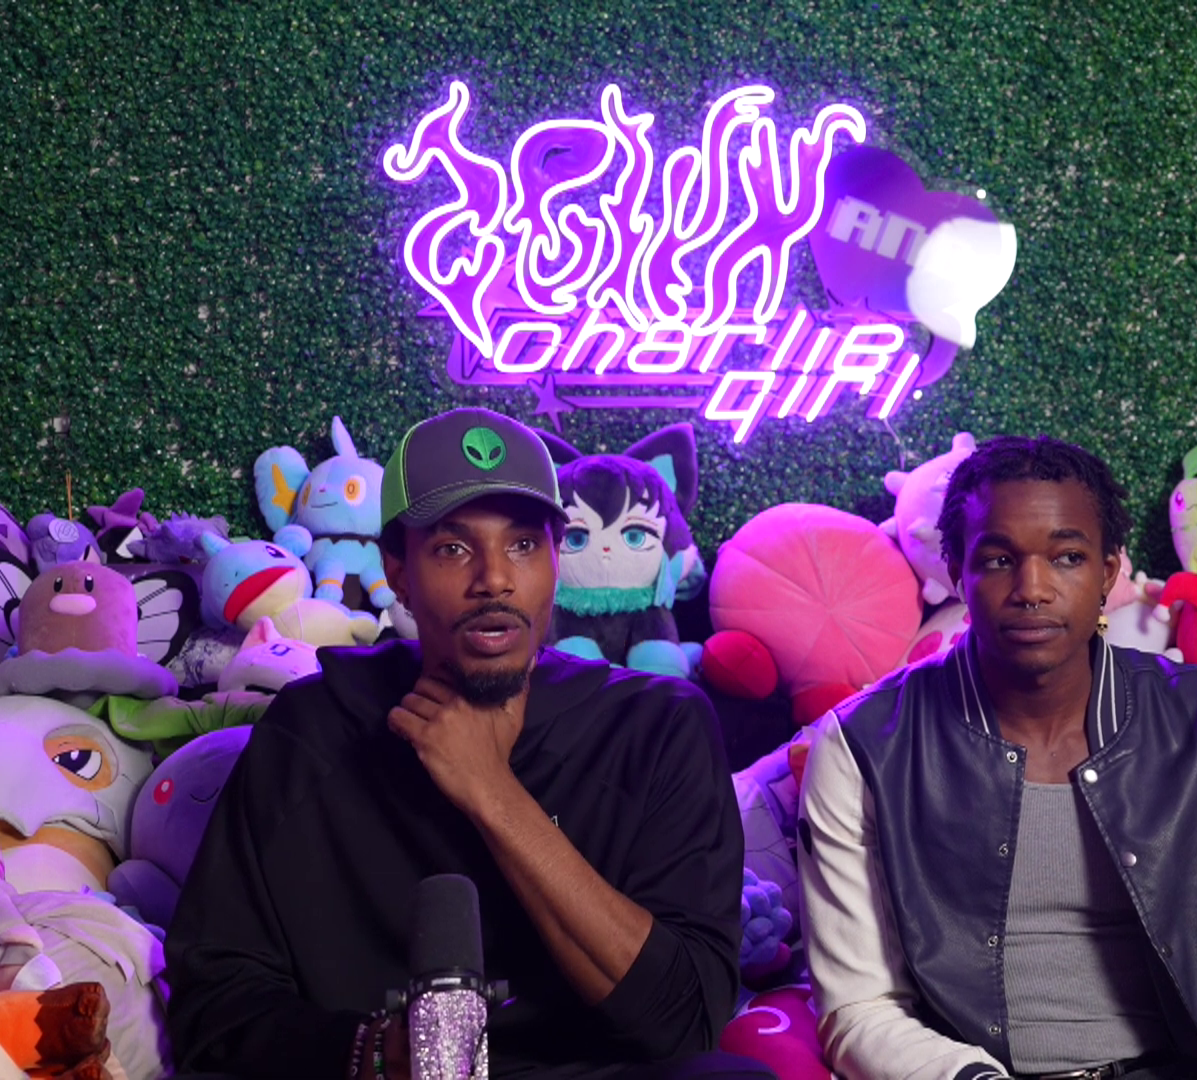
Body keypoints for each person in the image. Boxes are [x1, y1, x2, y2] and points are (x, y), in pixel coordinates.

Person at [165, 408, 767, 1080]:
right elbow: (213, 1002)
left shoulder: (656, 726)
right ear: (398, 571)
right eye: (453, 549)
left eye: (523, 545)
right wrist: (374, 1052)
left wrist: (491, 790)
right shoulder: (315, 727)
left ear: (555, 560)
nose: (494, 580)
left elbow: (687, 1017)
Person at [798, 435, 1197, 1080]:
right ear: (956, 570)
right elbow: (860, 1007)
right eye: (999, 559)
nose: (1033, 589)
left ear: (1108, 572)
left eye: (1067, 557)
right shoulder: (862, 745)